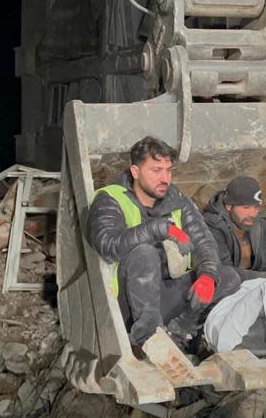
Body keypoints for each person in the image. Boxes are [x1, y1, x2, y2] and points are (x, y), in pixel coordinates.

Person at [87, 136, 240, 348]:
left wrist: (207, 275)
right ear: (135, 172)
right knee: (144, 253)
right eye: (156, 170)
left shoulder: (176, 198)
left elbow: (203, 241)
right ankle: (147, 341)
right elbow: (107, 246)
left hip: (165, 293)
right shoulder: (110, 198)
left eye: (168, 170)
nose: (165, 178)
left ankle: (180, 331)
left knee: (227, 277)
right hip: (127, 302)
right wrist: (160, 229)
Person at [203, 175, 266, 281]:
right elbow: (223, 271)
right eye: (246, 207)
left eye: (256, 207)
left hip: (255, 282)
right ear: (229, 206)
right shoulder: (213, 224)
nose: (252, 214)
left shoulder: (258, 221)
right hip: (227, 287)